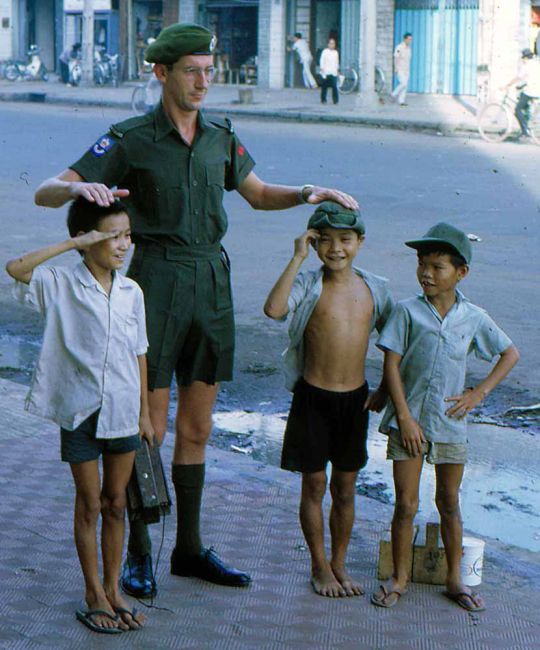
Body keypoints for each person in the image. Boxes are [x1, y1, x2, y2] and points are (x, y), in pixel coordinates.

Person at [33, 22, 358, 599]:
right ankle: (137, 551)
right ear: (161, 73)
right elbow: (48, 190)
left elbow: (257, 193)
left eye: (209, 70)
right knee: (147, 427)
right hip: (155, 280)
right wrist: (78, 190)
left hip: (211, 280)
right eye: (192, 70)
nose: (205, 81)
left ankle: (188, 547)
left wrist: (309, 192)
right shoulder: (129, 138)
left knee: (198, 426)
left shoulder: (219, 136)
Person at [5, 198, 152, 633]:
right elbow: (16, 268)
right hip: (80, 411)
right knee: (89, 503)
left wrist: (145, 412)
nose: (123, 245)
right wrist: (74, 241)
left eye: (127, 235)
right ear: (88, 241)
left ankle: (112, 588)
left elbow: (140, 353)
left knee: (117, 503)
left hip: (123, 409)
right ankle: (93, 593)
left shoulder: (131, 292)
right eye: (112, 236)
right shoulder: (60, 283)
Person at [371, 223, 519, 611]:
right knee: (404, 505)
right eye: (422, 265)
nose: (426, 274)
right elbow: (392, 364)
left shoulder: (473, 317)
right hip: (409, 421)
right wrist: (403, 416)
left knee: (449, 502)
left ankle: (455, 580)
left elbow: (509, 354)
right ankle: (399, 577)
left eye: (437, 267)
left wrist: (478, 393)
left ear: (461, 273)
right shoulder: (406, 312)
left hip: (451, 423)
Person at [264, 202, 394, 598]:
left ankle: (339, 562)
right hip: (313, 399)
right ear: (314, 243)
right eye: (324, 241)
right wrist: (297, 256)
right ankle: (319, 566)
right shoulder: (309, 282)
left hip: (354, 401)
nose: (335, 249)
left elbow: (395, 345)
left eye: (345, 240)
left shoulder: (376, 288)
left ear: (360, 243)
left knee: (346, 488)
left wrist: (385, 392)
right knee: (314, 485)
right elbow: (274, 309)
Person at [503, 48, 540, 139]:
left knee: (517, 110)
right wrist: (521, 86)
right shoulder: (536, 64)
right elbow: (532, 78)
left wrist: (507, 85)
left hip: (530, 92)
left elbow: (518, 78)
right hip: (537, 91)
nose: (523, 60)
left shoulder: (526, 66)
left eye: (523, 58)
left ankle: (525, 131)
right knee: (524, 108)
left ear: (526, 58)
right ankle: (526, 126)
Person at [391, 33, 412, 106]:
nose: (410, 41)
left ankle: (401, 101)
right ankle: (394, 94)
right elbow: (396, 58)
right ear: (405, 39)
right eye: (409, 39)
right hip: (400, 69)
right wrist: (395, 68)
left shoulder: (409, 49)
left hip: (406, 70)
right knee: (403, 83)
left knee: (405, 86)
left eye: (411, 39)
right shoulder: (399, 47)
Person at [319, 38, 340, 105]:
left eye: (333, 43)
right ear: (328, 44)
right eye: (330, 43)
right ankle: (323, 99)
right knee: (324, 87)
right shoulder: (325, 51)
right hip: (326, 71)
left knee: (334, 86)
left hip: (333, 72)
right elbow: (322, 60)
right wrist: (322, 68)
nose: (332, 45)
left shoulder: (336, 52)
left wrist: (337, 70)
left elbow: (337, 62)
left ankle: (335, 100)